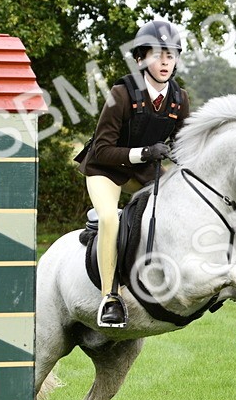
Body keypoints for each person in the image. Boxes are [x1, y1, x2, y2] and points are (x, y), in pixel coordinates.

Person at [74, 19, 190, 328]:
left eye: (171, 55)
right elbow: (100, 150)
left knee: (182, 205)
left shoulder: (179, 99)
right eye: (156, 54)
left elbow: (184, 146)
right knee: (111, 218)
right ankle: (110, 298)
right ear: (140, 59)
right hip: (106, 170)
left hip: (145, 172)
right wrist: (146, 153)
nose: (164, 61)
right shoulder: (121, 94)